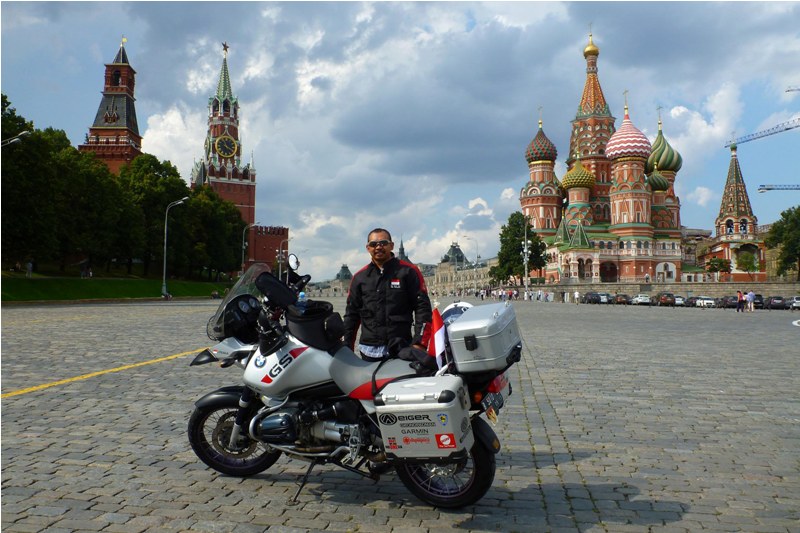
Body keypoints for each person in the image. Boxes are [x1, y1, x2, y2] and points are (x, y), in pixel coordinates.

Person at [343, 228, 432, 362]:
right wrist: (346, 347)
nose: (378, 247)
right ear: (368, 248)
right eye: (373, 244)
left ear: (392, 246)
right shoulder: (359, 277)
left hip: (401, 348)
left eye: (383, 243)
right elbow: (351, 315)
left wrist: (420, 343)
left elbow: (422, 309)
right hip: (368, 350)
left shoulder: (408, 271)